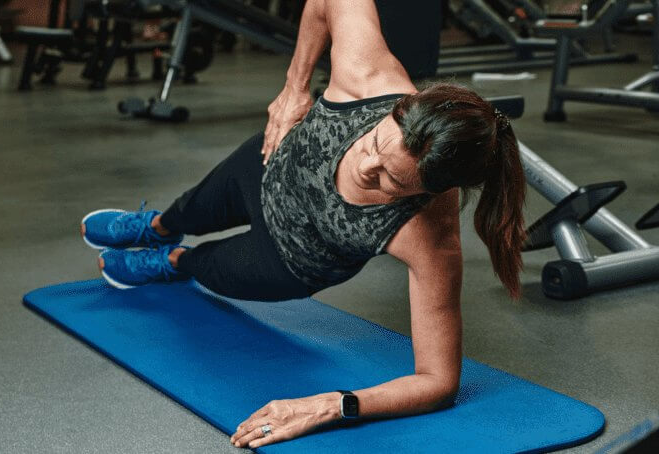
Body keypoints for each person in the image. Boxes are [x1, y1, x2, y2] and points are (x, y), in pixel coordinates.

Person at [80, 0, 527, 449]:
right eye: (375, 142)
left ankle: (171, 259)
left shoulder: (430, 236)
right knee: (185, 211)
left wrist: (332, 405)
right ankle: (156, 227)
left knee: (202, 264)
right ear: (401, 109)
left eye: (390, 178)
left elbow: (438, 380)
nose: (366, 165)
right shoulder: (369, 76)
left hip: (289, 261)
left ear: (429, 192)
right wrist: (294, 88)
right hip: (267, 166)